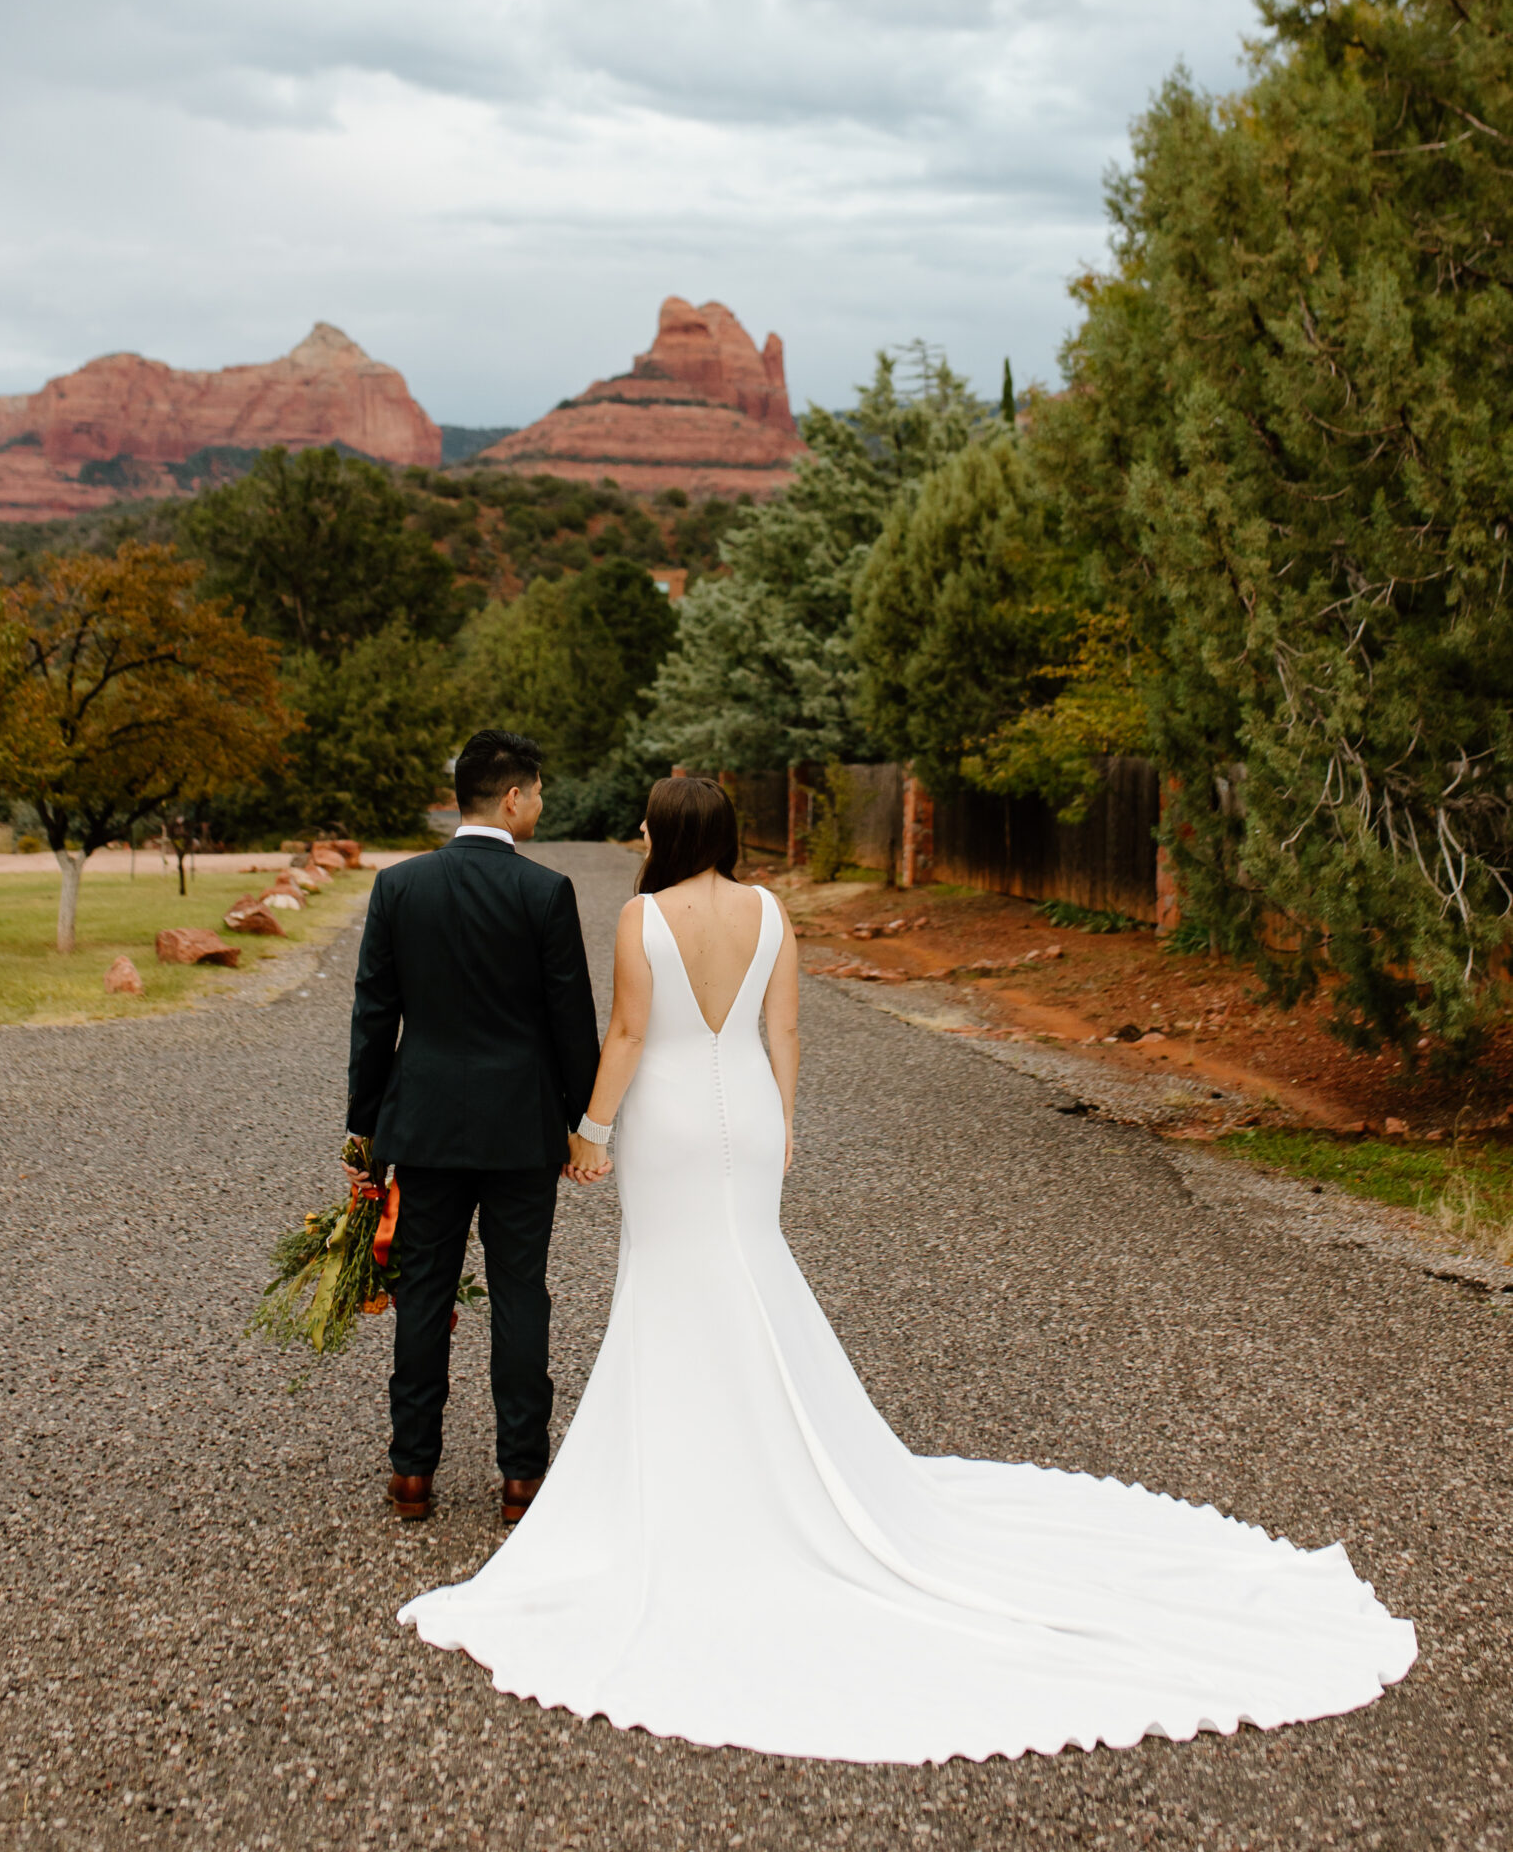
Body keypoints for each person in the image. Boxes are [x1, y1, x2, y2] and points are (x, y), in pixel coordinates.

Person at [397, 775, 1417, 1765]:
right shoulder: (772, 911)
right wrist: (785, 1121)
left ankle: (692, 1468)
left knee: (670, 1277)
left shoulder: (642, 919)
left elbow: (625, 1031)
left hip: (666, 1115)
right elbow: (782, 1028)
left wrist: (591, 1128)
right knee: (746, 1263)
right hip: (745, 1110)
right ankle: (765, 1452)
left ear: (663, 835)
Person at [346, 728, 601, 1529]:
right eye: (540, 791)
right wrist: (581, 1120)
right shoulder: (545, 892)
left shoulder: (398, 888)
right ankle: (521, 1478)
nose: (542, 804)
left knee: (422, 1294)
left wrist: (365, 1134)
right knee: (521, 1294)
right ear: (515, 797)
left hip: (422, 1126)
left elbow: (372, 1017)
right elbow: (571, 1022)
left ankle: (411, 1472)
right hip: (521, 1130)